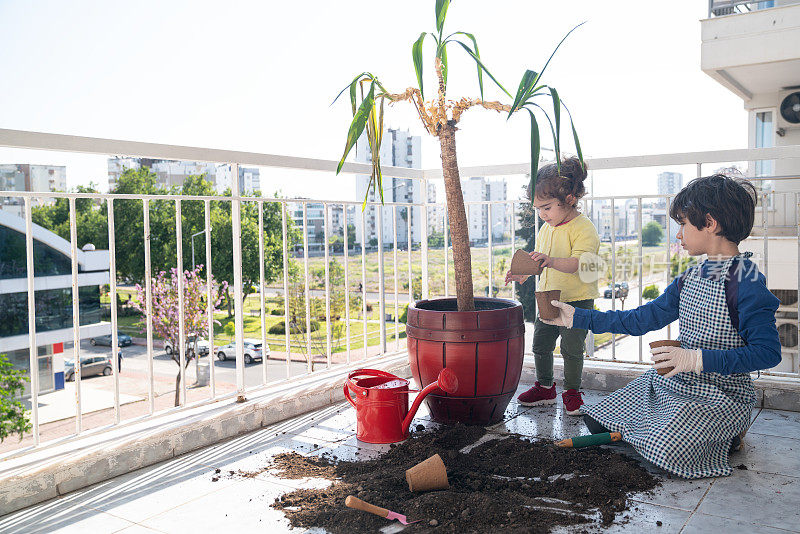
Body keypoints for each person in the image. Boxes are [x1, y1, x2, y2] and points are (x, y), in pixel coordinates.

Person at [542, 174, 781, 479]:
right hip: (678, 382)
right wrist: (577, 317)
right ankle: (670, 429)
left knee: (665, 444)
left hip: (722, 393)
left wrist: (697, 359)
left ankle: (727, 433)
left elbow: (768, 353)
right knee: (600, 417)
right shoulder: (689, 278)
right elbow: (641, 319)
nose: (678, 235)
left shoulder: (746, 283)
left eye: (683, 224)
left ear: (709, 223)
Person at [505, 156, 600, 416]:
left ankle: (572, 392)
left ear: (569, 198)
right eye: (538, 209)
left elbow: (579, 263)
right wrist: (523, 273)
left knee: (571, 349)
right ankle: (546, 388)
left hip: (576, 299)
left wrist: (551, 260)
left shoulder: (584, 228)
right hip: (548, 297)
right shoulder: (547, 227)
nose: (542, 214)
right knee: (541, 344)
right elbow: (541, 260)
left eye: (546, 208)